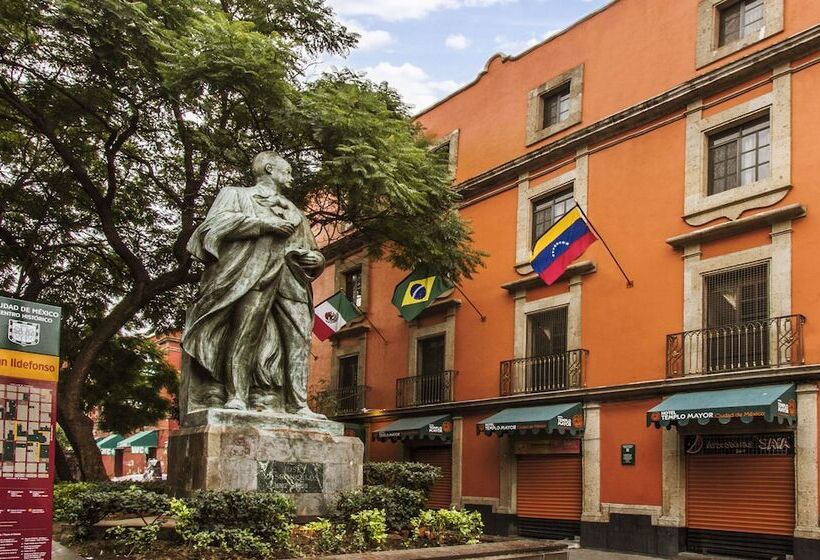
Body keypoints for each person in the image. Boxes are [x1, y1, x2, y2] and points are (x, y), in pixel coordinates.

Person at [181, 151, 325, 417]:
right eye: (287, 171)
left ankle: (298, 404)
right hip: (253, 274)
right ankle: (237, 397)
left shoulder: (295, 212)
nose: (291, 177)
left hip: (290, 280)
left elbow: (311, 249)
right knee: (246, 333)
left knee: (300, 340)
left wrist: (316, 260)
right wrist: (262, 224)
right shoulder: (236, 195)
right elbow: (212, 228)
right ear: (269, 168)